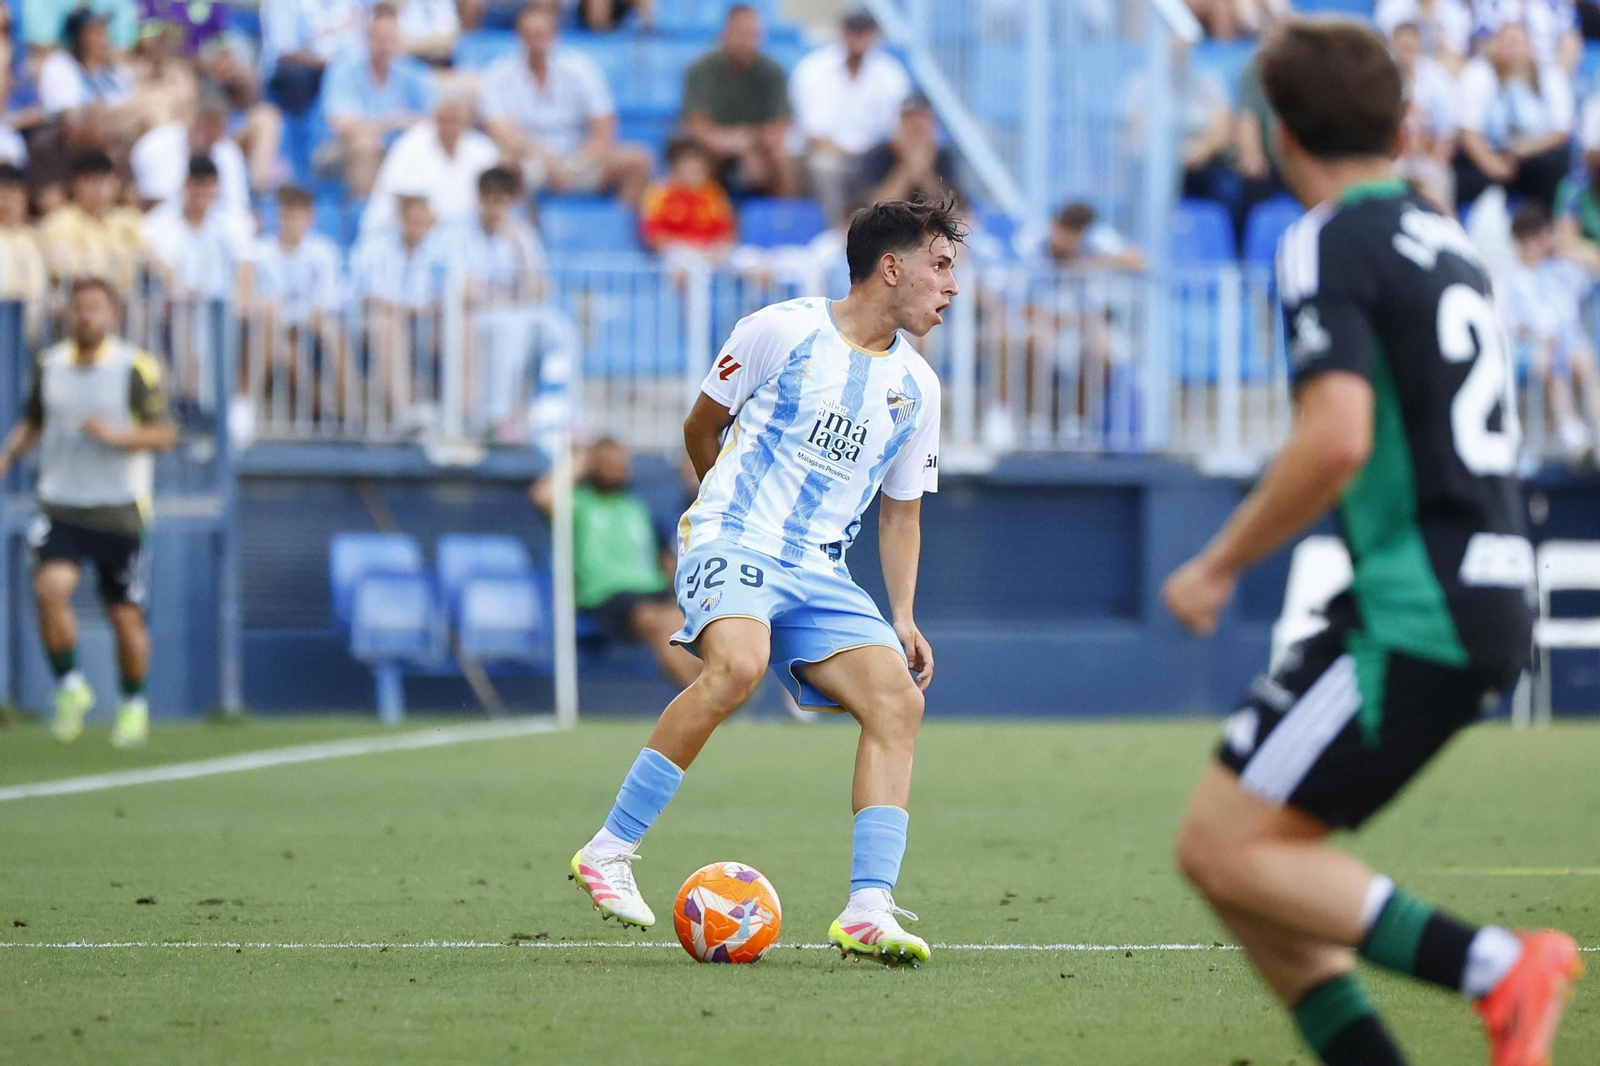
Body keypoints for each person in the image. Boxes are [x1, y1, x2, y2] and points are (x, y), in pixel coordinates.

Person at [1162, 20, 1581, 1066]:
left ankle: (1495, 965)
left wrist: (1217, 562)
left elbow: (1336, 434)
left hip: (1418, 601)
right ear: (1401, 124)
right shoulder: (1440, 231)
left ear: (1282, 132)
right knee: (1254, 875)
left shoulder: (1323, 235)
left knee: (1221, 847)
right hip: (1472, 581)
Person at [568, 199, 958, 968]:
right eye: (940, 266)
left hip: (819, 570)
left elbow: (901, 517)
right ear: (892, 266)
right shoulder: (781, 329)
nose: (952, 288)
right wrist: (724, 508)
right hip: (734, 536)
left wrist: (903, 616)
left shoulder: (919, 390)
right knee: (739, 666)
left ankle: (869, 908)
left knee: (897, 700)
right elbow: (699, 427)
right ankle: (608, 850)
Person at [0, 277, 175, 747]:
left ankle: (134, 704)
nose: (86, 317)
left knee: (124, 616)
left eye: (95, 308)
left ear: (113, 315)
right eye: (78, 308)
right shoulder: (50, 365)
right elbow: (34, 422)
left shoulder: (133, 367)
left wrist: (117, 437)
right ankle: (72, 686)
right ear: (67, 314)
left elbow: (163, 434)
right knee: (49, 588)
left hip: (119, 508)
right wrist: (8, 455)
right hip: (61, 503)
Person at [530, 438, 702, 689]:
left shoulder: (636, 508)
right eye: (608, 463)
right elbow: (543, 495)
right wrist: (580, 460)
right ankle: (702, 698)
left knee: (687, 619)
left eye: (621, 463)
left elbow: (664, 559)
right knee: (654, 620)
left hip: (651, 590)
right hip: (606, 597)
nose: (617, 469)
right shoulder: (580, 505)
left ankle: (712, 693)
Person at [480, 1, 651, 205]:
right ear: (519, 36)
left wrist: (574, 164)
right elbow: (500, 130)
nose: (536, 42)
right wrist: (543, 158)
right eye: (530, 34)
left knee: (638, 161)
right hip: (528, 161)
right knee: (502, 168)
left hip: (578, 161)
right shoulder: (499, 73)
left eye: (541, 34)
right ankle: (517, 231)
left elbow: (604, 129)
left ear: (555, 34)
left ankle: (614, 229)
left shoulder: (581, 69)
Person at [1499, 202, 1600, 462]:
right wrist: (1542, 337)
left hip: (1567, 344)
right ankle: (1571, 433)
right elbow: (1511, 324)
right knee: (1553, 355)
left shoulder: (1559, 269)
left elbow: (1594, 264)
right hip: (1533, 348)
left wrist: (1563, 247)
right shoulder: (1511, 278)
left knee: (1583, 357)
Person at [789, 11, 910, 221]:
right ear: (843, 33)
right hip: (827, 153)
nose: (859, 39)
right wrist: (853, 156)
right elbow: (814, 136)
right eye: (855, 32)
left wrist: (870, 156)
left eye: (865, 32)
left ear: (875, 35)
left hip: (874, 155)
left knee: (905, 163)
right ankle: (838, 229)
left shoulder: (891, 74)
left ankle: (886, 233)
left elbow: (897, 132)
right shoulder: (814, 70)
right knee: (826, 166)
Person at [319, 3, 437, 201]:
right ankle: (364, 215)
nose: (384, 47)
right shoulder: (344, 69)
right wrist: (391, 123)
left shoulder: (414, 74)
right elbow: (341, 124)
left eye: (390, 40)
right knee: (365, 145)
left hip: (402, 149)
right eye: (378, 40)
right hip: (343, 148)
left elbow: (433, 121)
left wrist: (400, 127)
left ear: (400, 40)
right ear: (367, 38)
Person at [1453, 17, 1572, 210]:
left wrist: (1524, 149)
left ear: (1530, 46)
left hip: (1531, 154)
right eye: (1507, 43)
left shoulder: (1551, 75)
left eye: (1518, 43)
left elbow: (1561, 131)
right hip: (1488, 155)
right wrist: (1492, 164)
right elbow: (1468, 131)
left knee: (1557, 161)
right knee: (1462, 166)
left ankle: (1542, 223)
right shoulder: (1477, 72)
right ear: (1495, 46)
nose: (1513, 50)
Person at [680, 4, 795, 197]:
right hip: (711, 147)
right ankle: (702, 221)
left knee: (783, 160)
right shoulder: (701, 69)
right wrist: (734, 144)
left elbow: (778, 127)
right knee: (694, 165)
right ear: (725, 33)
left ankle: (784, 220)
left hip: (758, 148)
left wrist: (748, 145)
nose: (748, 41)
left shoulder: (772, 72)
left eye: (754, 35)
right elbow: (697, 128)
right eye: (742, 34)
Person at [361, 89, 499, 236]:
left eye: (457, 121)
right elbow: (403, 205)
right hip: (411, 236)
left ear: (468, 121)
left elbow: (495, 204)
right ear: (435, 119)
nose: (451, 128)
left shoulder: (484, 151)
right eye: (446, 120)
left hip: (468, 238)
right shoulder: (410, 146)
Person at [140, 154, 253, 301]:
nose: (204, 191)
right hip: (175, 309)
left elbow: (245, 266)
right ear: (187, 184)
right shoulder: (159, 222)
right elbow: (154, 263)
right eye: (199, 184)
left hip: (220, 309)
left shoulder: (230, 225)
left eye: (210, 185)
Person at [130, 90, 252, 223]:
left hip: (214, 228)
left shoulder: (227, 151)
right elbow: (153, 204)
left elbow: (237, 206)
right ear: (196, 122)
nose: (216, 133)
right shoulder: (154, 146)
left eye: (221, 127)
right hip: (165, 226)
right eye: (211, 124)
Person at [38, 150, 145, 291]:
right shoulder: (58, 223)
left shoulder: (128, 221)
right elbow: (66, 275)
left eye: (104, 181)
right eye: (90, 181)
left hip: (125, 303)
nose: (99, 189)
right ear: (73, 184)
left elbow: (149, 261)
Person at [1390, 20, 1460, 210]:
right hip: (1391, 160)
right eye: (1403, 47)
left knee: (1439, 193)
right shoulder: (1380, 75)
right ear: (1392, 45)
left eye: (1412, 47)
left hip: (1429, 157)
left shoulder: (1436, 77)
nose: (1407, 53)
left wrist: (1435, 163)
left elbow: (1448, 131)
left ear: (1420, 46)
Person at [638, 137, 735, 263]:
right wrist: (689, 248)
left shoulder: (714, 193)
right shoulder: (659, 193)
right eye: (689, 167)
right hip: (677, 252)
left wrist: (717, 250)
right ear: (674, 167)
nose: (694, 172)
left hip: (711, 253)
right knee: (682, 261)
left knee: (747, 259)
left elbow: (727, 232)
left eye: (698, 167)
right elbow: (653, 237)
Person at [861, 95, 962, 208]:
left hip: (930, 221)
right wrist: (907, 168)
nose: (915, 127)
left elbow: (947, 207)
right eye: (910, 120)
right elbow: (876, 205)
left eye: (921, 120)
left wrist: (924, 173)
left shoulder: (943, 156)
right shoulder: (879, 154)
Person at [1040, 202, 1145, 272]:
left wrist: (1090, 264)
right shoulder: (1036, 244)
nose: (1063, 239)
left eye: (1071, 236)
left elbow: (1139, 262)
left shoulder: (1096, 240)